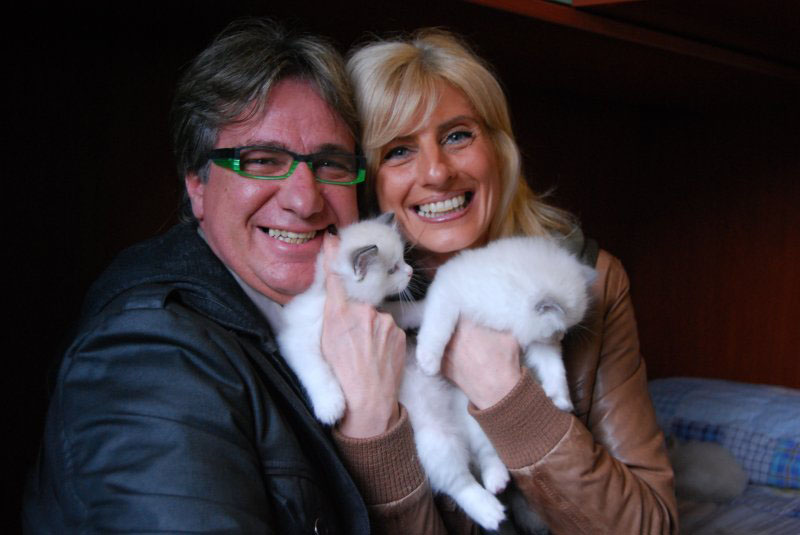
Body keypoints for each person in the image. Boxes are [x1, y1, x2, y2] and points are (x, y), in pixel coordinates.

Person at [23, 18, 413, 533]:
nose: (304, 200)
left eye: (330, 165)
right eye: (262, 160)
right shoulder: (148, 356)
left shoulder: (345, 319)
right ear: (197, 185)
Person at [345, 29, 680, 533]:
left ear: (499, 150)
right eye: (397, 151)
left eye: (457, 136)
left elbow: (652, 526)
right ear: (368, 180)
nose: (436, 173)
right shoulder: (346, 315)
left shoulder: (587, 281)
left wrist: (508, 397)